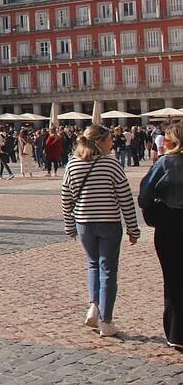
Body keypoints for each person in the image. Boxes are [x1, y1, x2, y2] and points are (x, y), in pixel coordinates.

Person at [61, 124, 140, 338]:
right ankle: (106, 320)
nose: (112, 142)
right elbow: (125, 199)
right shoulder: (111, 165)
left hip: (84, 223)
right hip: (109, 222)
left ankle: (93, 306)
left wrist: (69, 225)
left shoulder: (72, 165)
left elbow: (66, 199)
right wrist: (133, 228)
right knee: (108, 270)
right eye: (109, 140)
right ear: (99, 142)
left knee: (93, 265)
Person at [138, 123, 183, 349]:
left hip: (170, 225)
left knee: (173, 279)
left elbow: (144, 196)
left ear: (172, 142)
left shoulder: (165, 163)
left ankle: (176, 333)